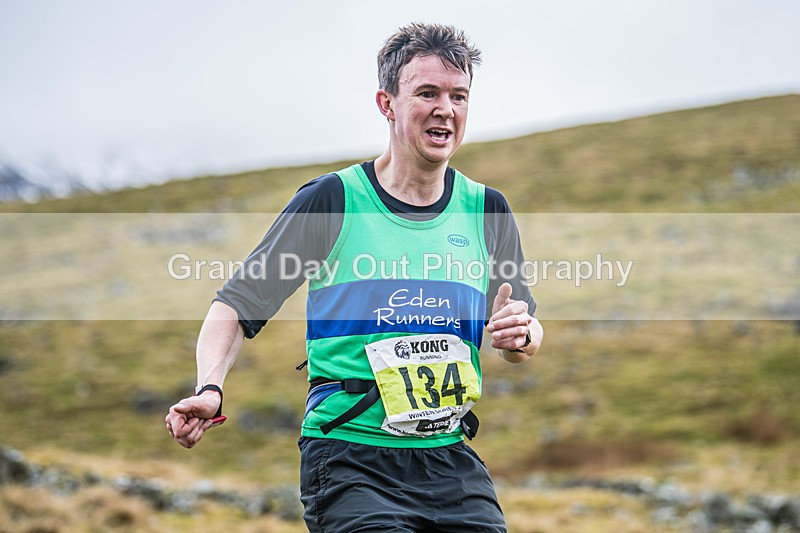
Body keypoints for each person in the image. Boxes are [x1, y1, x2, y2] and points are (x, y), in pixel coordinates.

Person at [166, 22, 543, 532]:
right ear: (386, 103)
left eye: (459, 96)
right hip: (350, 460)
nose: (445, 110)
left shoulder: (486, 210)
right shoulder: (333, 201)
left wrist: (521, 335)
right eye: (427, 93)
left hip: (449, 457)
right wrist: (210, 387)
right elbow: (237, 304)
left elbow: (521, 335)